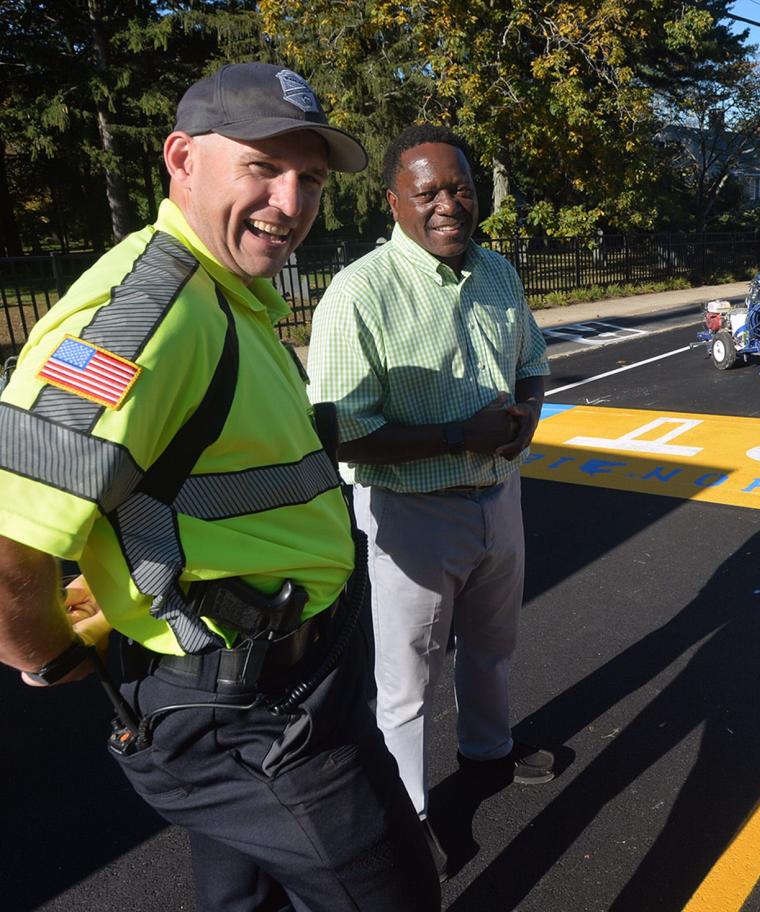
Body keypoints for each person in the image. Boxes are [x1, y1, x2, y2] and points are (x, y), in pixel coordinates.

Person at [0, 63, 440, 911]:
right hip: (250, 718)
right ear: (181, 159)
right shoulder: (148, 317)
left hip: (289, 683)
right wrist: (53, 654)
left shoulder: (224, 292)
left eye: (308, 179)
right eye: (261, 167)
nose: (289, 200)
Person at [307, 125, 554, 849]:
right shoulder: (358, 295)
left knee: (492, 645)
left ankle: (486, 753)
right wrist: (459, 436)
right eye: (429, 192)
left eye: (462, 188)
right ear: (394, 201)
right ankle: (408, 823)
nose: (449, 204)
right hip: (410, 514)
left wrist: (528, 416)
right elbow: (343, 432)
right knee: (406, 684)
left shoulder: (498, 273)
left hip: (498, 499)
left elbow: (531, 360)